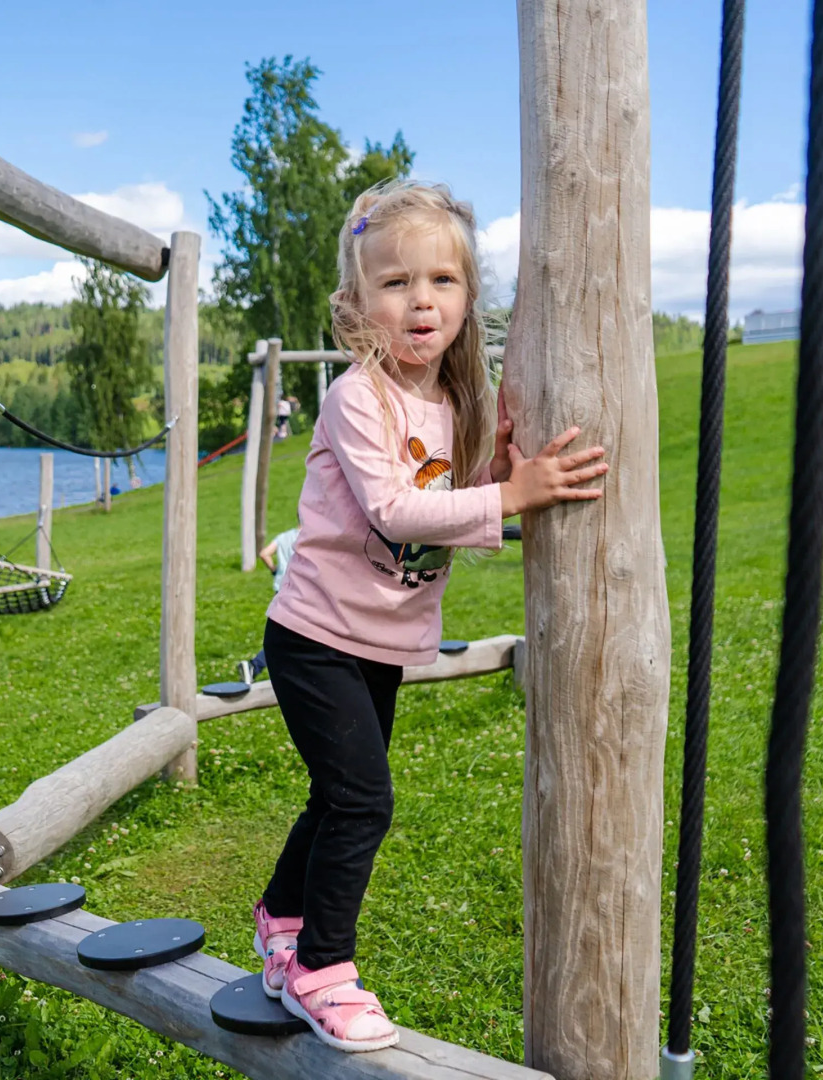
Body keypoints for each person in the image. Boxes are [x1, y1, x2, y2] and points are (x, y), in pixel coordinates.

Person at [250, 180, 607, 1053]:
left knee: (336, 795)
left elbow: (446, 492)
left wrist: (497, 474)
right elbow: (398, 511)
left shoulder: (448, 403)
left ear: (466, 299)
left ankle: (280, 921)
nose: (421, 301)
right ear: (357, 302)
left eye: (442, 281)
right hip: (314, 640)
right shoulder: (357, 397)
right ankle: (322, 974)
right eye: (396, 283)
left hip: (374, 643)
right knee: (363, 803)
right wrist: (511, 497)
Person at [237, 523, 300, 684]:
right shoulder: (307, 535)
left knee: (290, 635)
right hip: (298, 589)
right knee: (292, 636)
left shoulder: (284, 536)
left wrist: (274, 570)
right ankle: (254, 666)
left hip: (281, 588)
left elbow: (264, 553)